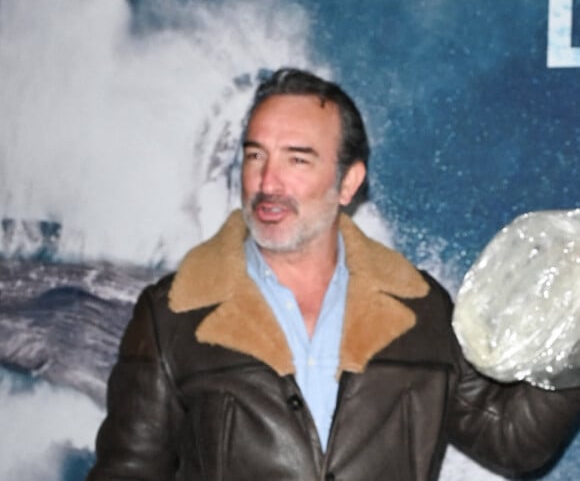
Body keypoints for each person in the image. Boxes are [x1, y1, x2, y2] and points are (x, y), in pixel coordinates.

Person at [88, 68, 580, 481]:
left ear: (349, 183)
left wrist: (571, 332)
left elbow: (513, 440)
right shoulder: (172, 313)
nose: (267, 182)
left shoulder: (419, 309)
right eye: (255, 155)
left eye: (296, 159)